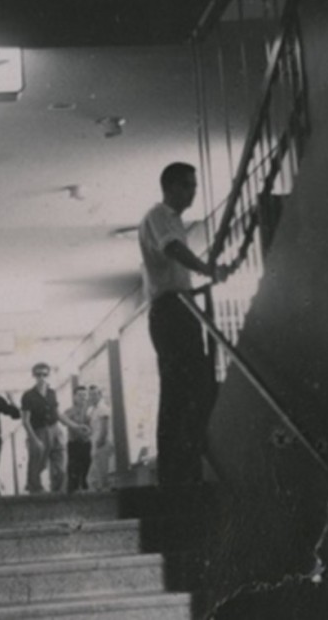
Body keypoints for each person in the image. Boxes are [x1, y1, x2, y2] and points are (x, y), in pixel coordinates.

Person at [138, 161, 228, 486]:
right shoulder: (159, 215)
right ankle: (175, 471)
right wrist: (207, 270)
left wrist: (203, 277)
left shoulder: (173, 220)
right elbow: (173, 250)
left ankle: (183, 466)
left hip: (178, 308)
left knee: (190, 386)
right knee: (181, 387)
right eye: (188, 185)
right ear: (172, 186)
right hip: (170, 311)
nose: (193, 192)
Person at [21, 362, 89, 493]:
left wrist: (76, 426)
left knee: (61, 465)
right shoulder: (28, 395)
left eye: (44, 374)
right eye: (38, 374)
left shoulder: (52, 393)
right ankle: (35, 491)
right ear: (34, 376)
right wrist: (34, 440)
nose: (42, 377)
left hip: (55, 430)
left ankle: (57, 492)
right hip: (39, 431)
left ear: (48, 375)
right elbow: (25, 421)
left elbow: (57, 414)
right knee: (37, 466)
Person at [63, 385, 93, 493]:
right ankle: (73, 490)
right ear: (74, 397)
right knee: (73, 468)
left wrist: (89, 431)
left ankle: (84, 487)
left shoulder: (90, 411)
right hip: (74, 444)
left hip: (86, 443)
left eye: (84, 395)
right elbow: (64, 421)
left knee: (86, 465)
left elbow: (93, 426)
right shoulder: (69, 411)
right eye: (80, 395)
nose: (82, 397)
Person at [86, 385, 113, 491]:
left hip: (102, 443)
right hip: (95, 443)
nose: (92, 397)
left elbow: (104, 429)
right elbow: (91, 427)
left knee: (100, 475)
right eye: (90, 395)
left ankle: (104, 495)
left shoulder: (103, 408)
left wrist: (99, 443)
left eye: (95, 394)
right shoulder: (91, 410)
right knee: (95, 476)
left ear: (100, 395)